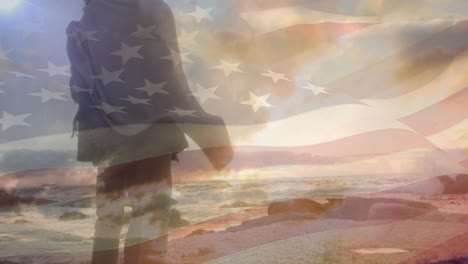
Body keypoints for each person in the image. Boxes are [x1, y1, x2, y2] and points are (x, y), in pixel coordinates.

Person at [66, 0, 233, 263]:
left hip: (105, 137)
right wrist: (209, 133)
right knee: (151, 217)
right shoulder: (154, 10)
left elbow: (79, 89)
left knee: (108, 219)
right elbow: (172, 79)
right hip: (153, 133)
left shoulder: (82, 24)